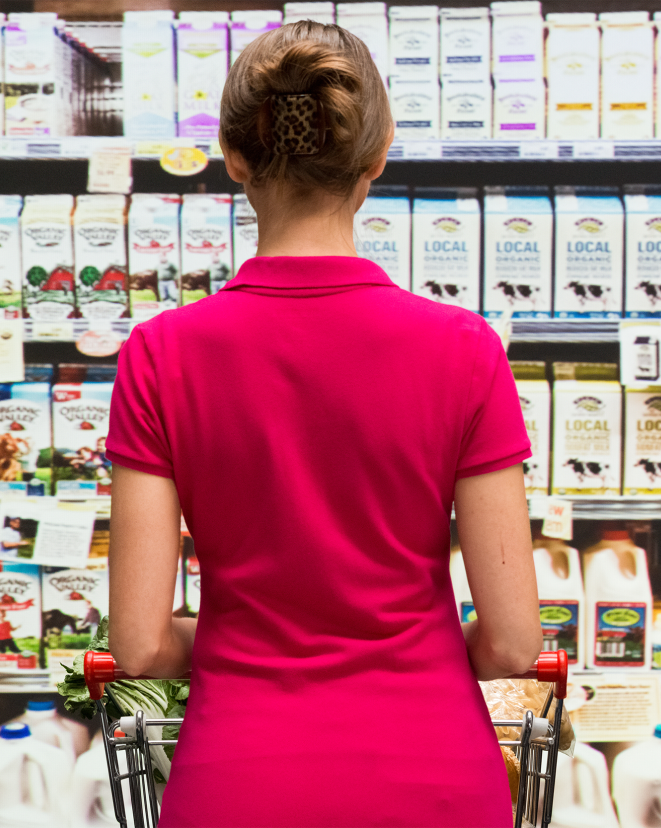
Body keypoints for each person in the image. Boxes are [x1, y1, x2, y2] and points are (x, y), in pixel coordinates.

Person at [106, 20, 540, 828]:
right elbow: (514, 646)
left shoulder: (160, 354)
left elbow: (139, 645)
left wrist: (252, 637)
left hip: (238, 781)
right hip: (435, 776)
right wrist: (422, 651)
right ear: (375, 159)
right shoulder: (464, 351)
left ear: (235, 159)